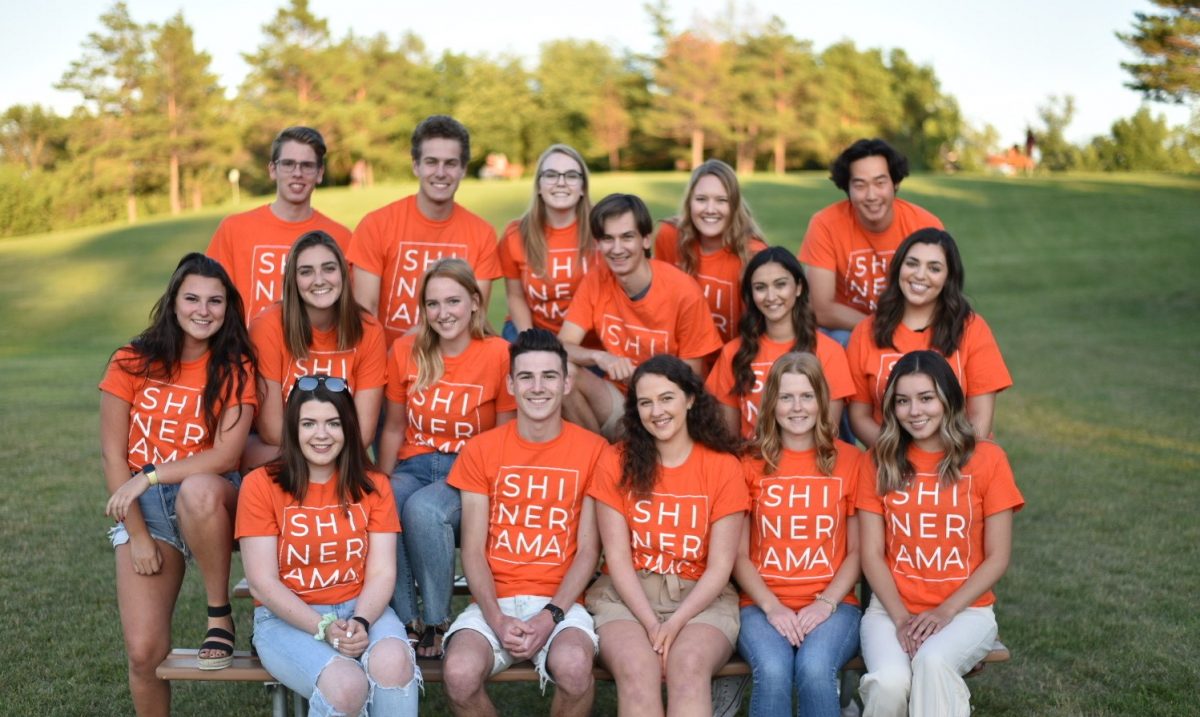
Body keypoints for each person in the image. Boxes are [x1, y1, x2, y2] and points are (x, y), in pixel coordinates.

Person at [100, 253, 256, 714]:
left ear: (228, 309)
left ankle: (218, 616)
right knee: (144, 654)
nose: (202, 310)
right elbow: (113, 455)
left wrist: (149, 475)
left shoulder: (235, 367)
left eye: (215, 301)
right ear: (173, 302)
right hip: (145, 514)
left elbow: (226, 455)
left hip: (212, 501)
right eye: (192, 298)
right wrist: (139, 535)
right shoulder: (132, 360)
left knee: (199, 488)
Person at [442, 329, 609, 716]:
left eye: (549, 376)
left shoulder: (594, 450)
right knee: (459, 674)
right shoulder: (481, 450)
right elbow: (473, 550)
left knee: (574, 667)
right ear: (511, 385)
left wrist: (549, 617)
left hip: (561, 603)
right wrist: (498, 620)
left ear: (566, 383)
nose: (538, 387)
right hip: (493, 602)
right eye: (526, 377)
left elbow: (587, 552)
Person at [237, 375, 418, 716]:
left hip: (361, 607)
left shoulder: (374, 485)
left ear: (348, 429)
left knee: (394, 662)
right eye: (309, 424)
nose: (322, 435)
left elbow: (381, 572)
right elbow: (263, 581)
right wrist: (322, 628)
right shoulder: (260, 485)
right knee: (346, 687)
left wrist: (362, 622)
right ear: (293, 430)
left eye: (333, 423)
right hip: (285, 618)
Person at [856, 351, 1023, 716]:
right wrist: (901, 618)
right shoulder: (877, 460)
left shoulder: (987, 459)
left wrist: (945, 612)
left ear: (948, 399)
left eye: (926, 398)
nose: (914, 411)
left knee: (932, 663)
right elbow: (870, 554)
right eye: (903, 401)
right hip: (890, 610)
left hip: (966, 611)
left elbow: (997, 557)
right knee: (888, 682)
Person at [585, 354, 748, 716]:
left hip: (702, 599)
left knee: (687, 665)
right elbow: (617, 557)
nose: (656, 411)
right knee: (637, 668)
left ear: (690, 399)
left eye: (666, 398)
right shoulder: (615, 461)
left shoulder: (723, 467)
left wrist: (672, 625)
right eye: (645, 402)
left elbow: (721, 567)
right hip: (626, 597)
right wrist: (650, 624)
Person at [378, 258, 516, 657]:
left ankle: (438, 621)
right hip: (414, 464)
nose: (443, 313)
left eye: (453, 301)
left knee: (423, 510)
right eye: (433, 304)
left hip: (470, 470)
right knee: (385, 502)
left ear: (475, 302)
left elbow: (503, 437)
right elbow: (392, 427)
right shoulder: (406, 350)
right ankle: (407, 622)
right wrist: (379, 482)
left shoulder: (499, 353)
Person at [733, 353, 863, 717]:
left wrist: (825, 603)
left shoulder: (851, 462)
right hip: (760, 605)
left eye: (806, 396)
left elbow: (857, 552)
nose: (797, 407)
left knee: (815, 668)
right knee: (773, 671)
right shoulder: (748, 462)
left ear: (822, 401)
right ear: (771, 403)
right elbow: (738, 555)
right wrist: (772, 607)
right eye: (786, 397)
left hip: (835, 604)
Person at [558, 194, 723, 440]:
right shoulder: (596, 279)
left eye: (627, 237)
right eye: (607, 239)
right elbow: (561, 345)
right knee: (563, 373)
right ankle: (598, 460)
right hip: (621, 401)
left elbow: (691, 379)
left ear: (645, 240)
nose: (616, 249)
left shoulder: (683, 291)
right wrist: (599, 356)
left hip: (667, 410)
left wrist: (640, 376)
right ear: (599, 244)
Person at [846, 229, 1011, 448]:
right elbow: (859, 417)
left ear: (948, 277)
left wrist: (951, 460)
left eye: (934, 268)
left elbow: (980, 417)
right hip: (891, 462)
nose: (920, 275)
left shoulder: (971, 328)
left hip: (956, 460)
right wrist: (900, 459)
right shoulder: (866, 331)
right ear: (898, 268)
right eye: (912, 264)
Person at [350, 115, 502, 347]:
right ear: (415, 165)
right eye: (431, 162)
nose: (440, 172)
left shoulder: (482, 234)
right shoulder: (376, 225)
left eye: (450, 163)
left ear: (463, 169)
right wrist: (395, 359)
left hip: (451, 368)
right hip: (389, 366)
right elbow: (365, 315)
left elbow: (474, 318)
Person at [247, 231, 387, 468]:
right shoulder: (268, 326)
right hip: (283, 451)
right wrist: (319, 455)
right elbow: (271, 429)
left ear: (343, 274)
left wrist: (326, 455)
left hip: (344, 453)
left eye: (329, 268)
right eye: (306, 272)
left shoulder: (368, 329)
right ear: (293, 279)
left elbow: (364, 432)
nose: (319, 280)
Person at [798, 138, 943, 344]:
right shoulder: (825, 224)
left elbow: (940, 299)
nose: (871, 195)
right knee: (838, 341)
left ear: (895, 183)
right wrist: (881, 327)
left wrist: (905, 332)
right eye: (860, 185)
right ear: (847, 188)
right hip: (846, 328)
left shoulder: (925, 225)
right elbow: (822, 309)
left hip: (910, 325)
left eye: (880, 183)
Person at [706, 247, 855, 440]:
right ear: (751, 294)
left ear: (799, 287)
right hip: (751, 464)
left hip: (809, 465)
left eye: (780, 285)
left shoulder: (828, 351)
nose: (770, 296)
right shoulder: (733, 353)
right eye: (760, 287)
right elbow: (730, 437)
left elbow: (828, 433)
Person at [207, 126, 351, 325]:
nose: (297, 173)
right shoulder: (234, 229)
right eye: (288, 164)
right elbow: (209, 296)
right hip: (248, 353)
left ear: (319, 173)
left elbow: (347, 311)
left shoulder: (341, 237)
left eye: (307, 165)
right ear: (273, 170)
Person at [654, 159, 769, 343]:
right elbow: (659, 306)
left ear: (734, 206)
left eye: (721, 200)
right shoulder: (670, 236)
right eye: (701, 199)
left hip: (733, 360)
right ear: (689, 202)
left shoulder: (754, 254)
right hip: (680, 358)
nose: (710, 209)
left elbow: (761, 334)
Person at [499, 144, 596, 340]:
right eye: (551, 175)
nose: (561, 182)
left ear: (583, 187)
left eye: (571, 175)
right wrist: (531, 340)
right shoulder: (515, 234)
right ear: (539, 187)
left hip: (590, 340)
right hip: (532, 330)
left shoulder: (602, 232)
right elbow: (516, 296)